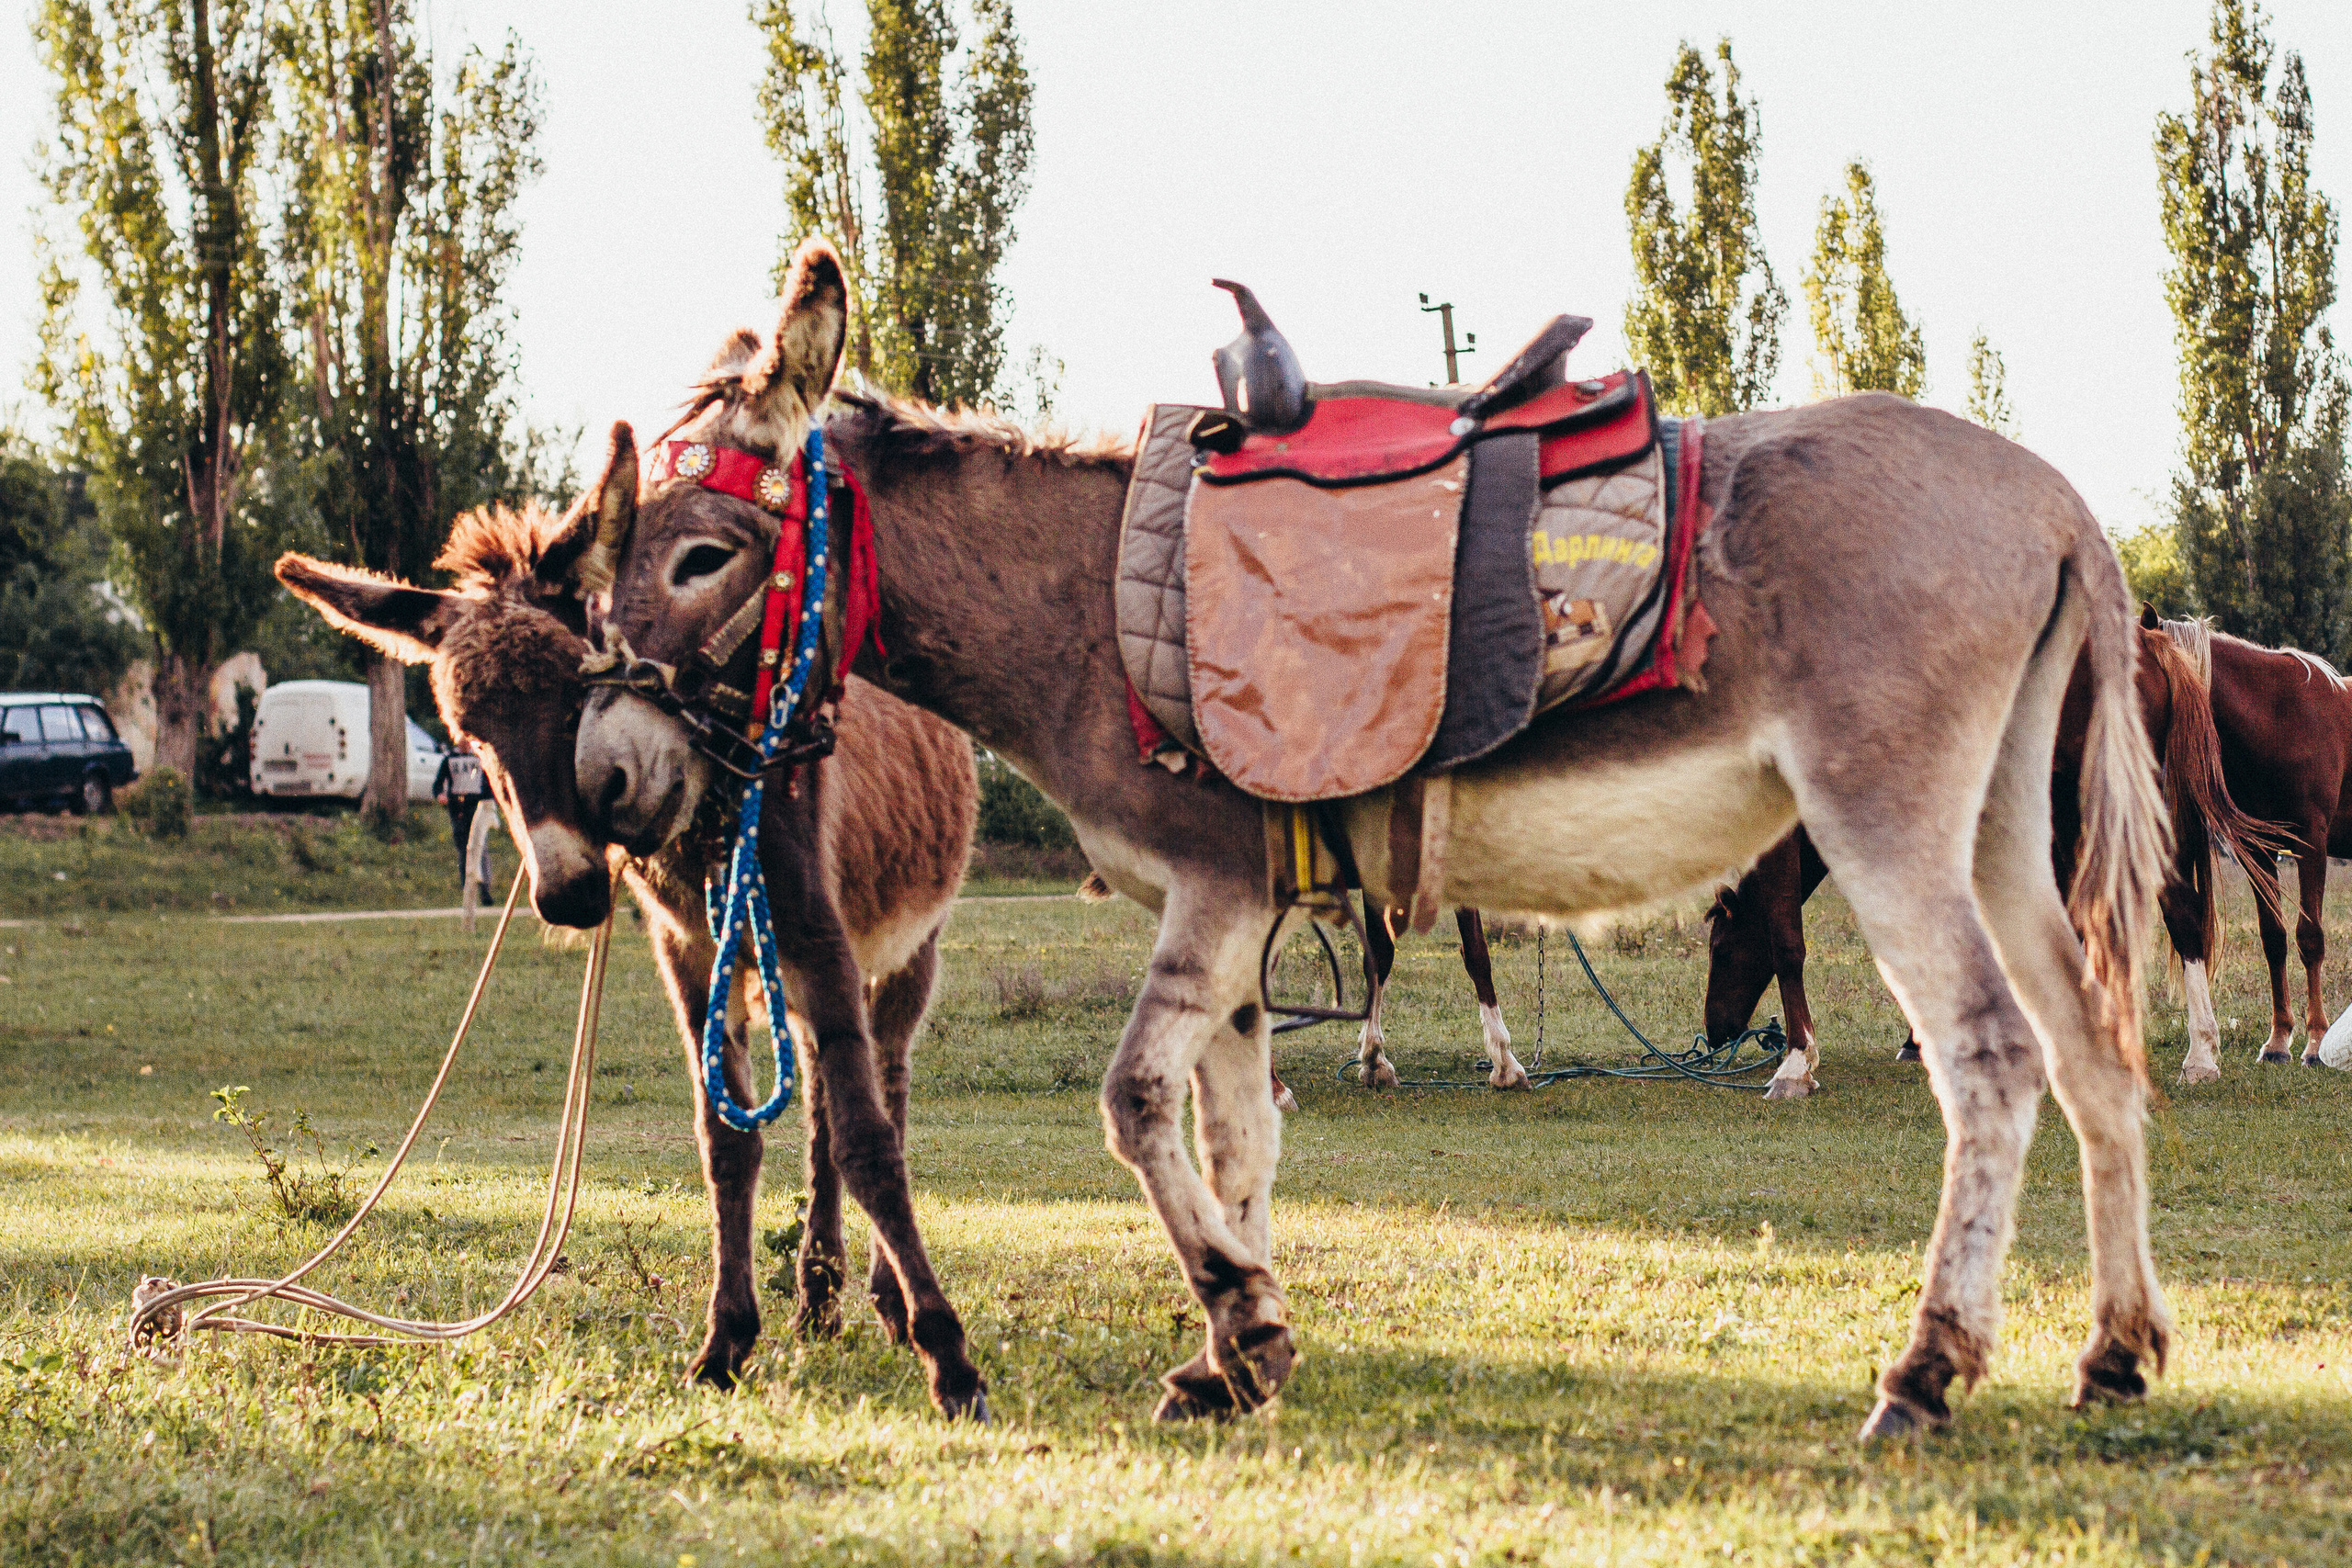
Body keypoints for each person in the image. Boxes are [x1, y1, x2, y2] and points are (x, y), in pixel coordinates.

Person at [433, 742, 492, 889]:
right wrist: (440, 794)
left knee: (480, 845)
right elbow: (438, 783)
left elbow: (489, 782)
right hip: (457, 806)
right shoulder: (450, 759)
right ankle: (466, 884)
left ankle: (484, 888)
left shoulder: (479, 756)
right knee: (463, 846)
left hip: (477, 804)